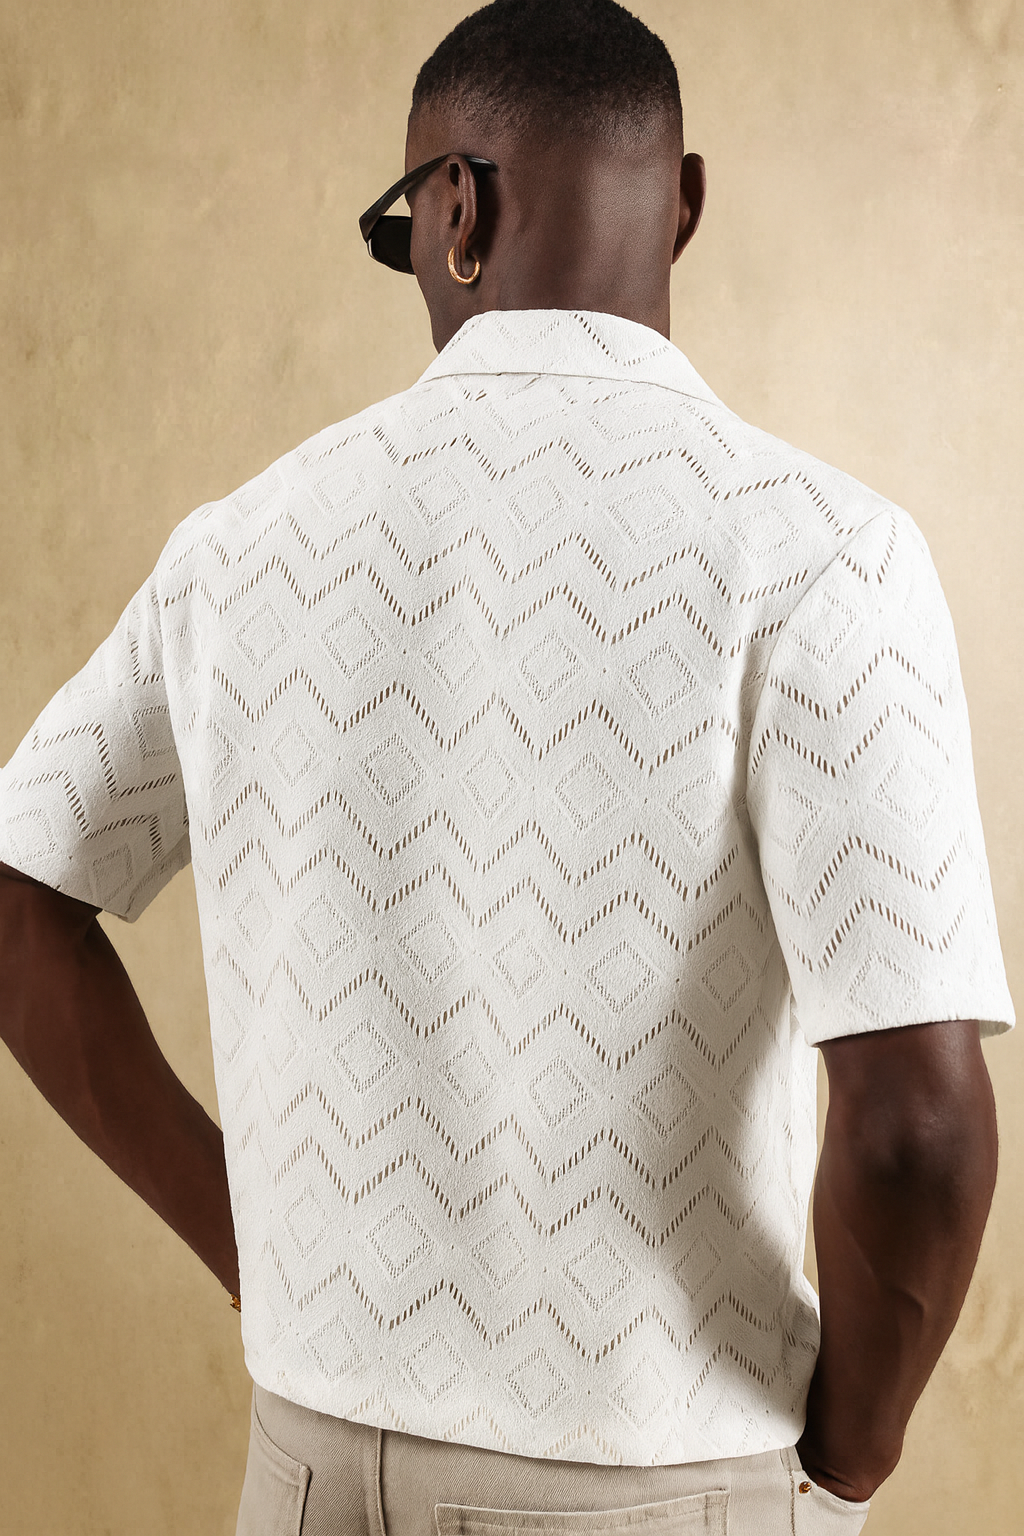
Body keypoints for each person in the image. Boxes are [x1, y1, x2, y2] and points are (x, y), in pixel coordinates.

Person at [0, 1, 1013, 1532]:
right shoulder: (819, 554)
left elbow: (21, 898)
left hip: (307, 1470)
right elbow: (918, 1131)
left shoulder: (242, 548)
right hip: (664, 1482)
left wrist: (254, 1250)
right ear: (682, 204)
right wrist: (847, 1462)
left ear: (456, 210)